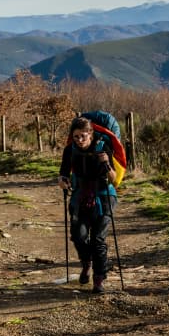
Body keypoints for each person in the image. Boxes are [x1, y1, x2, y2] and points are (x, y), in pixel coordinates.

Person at [57, 117, 118, 293]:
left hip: (104, 197)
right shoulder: (70, 150)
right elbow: (63, 174)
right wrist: (62, 181)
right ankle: (86, 263)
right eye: (76, 137)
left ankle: (99, 279)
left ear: (90, 134)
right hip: (80, 196)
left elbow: (114, 179)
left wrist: (106, 164)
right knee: (78, 236)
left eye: (83, 136)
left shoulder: (103, 148)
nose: (79, 140)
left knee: (98, 239)